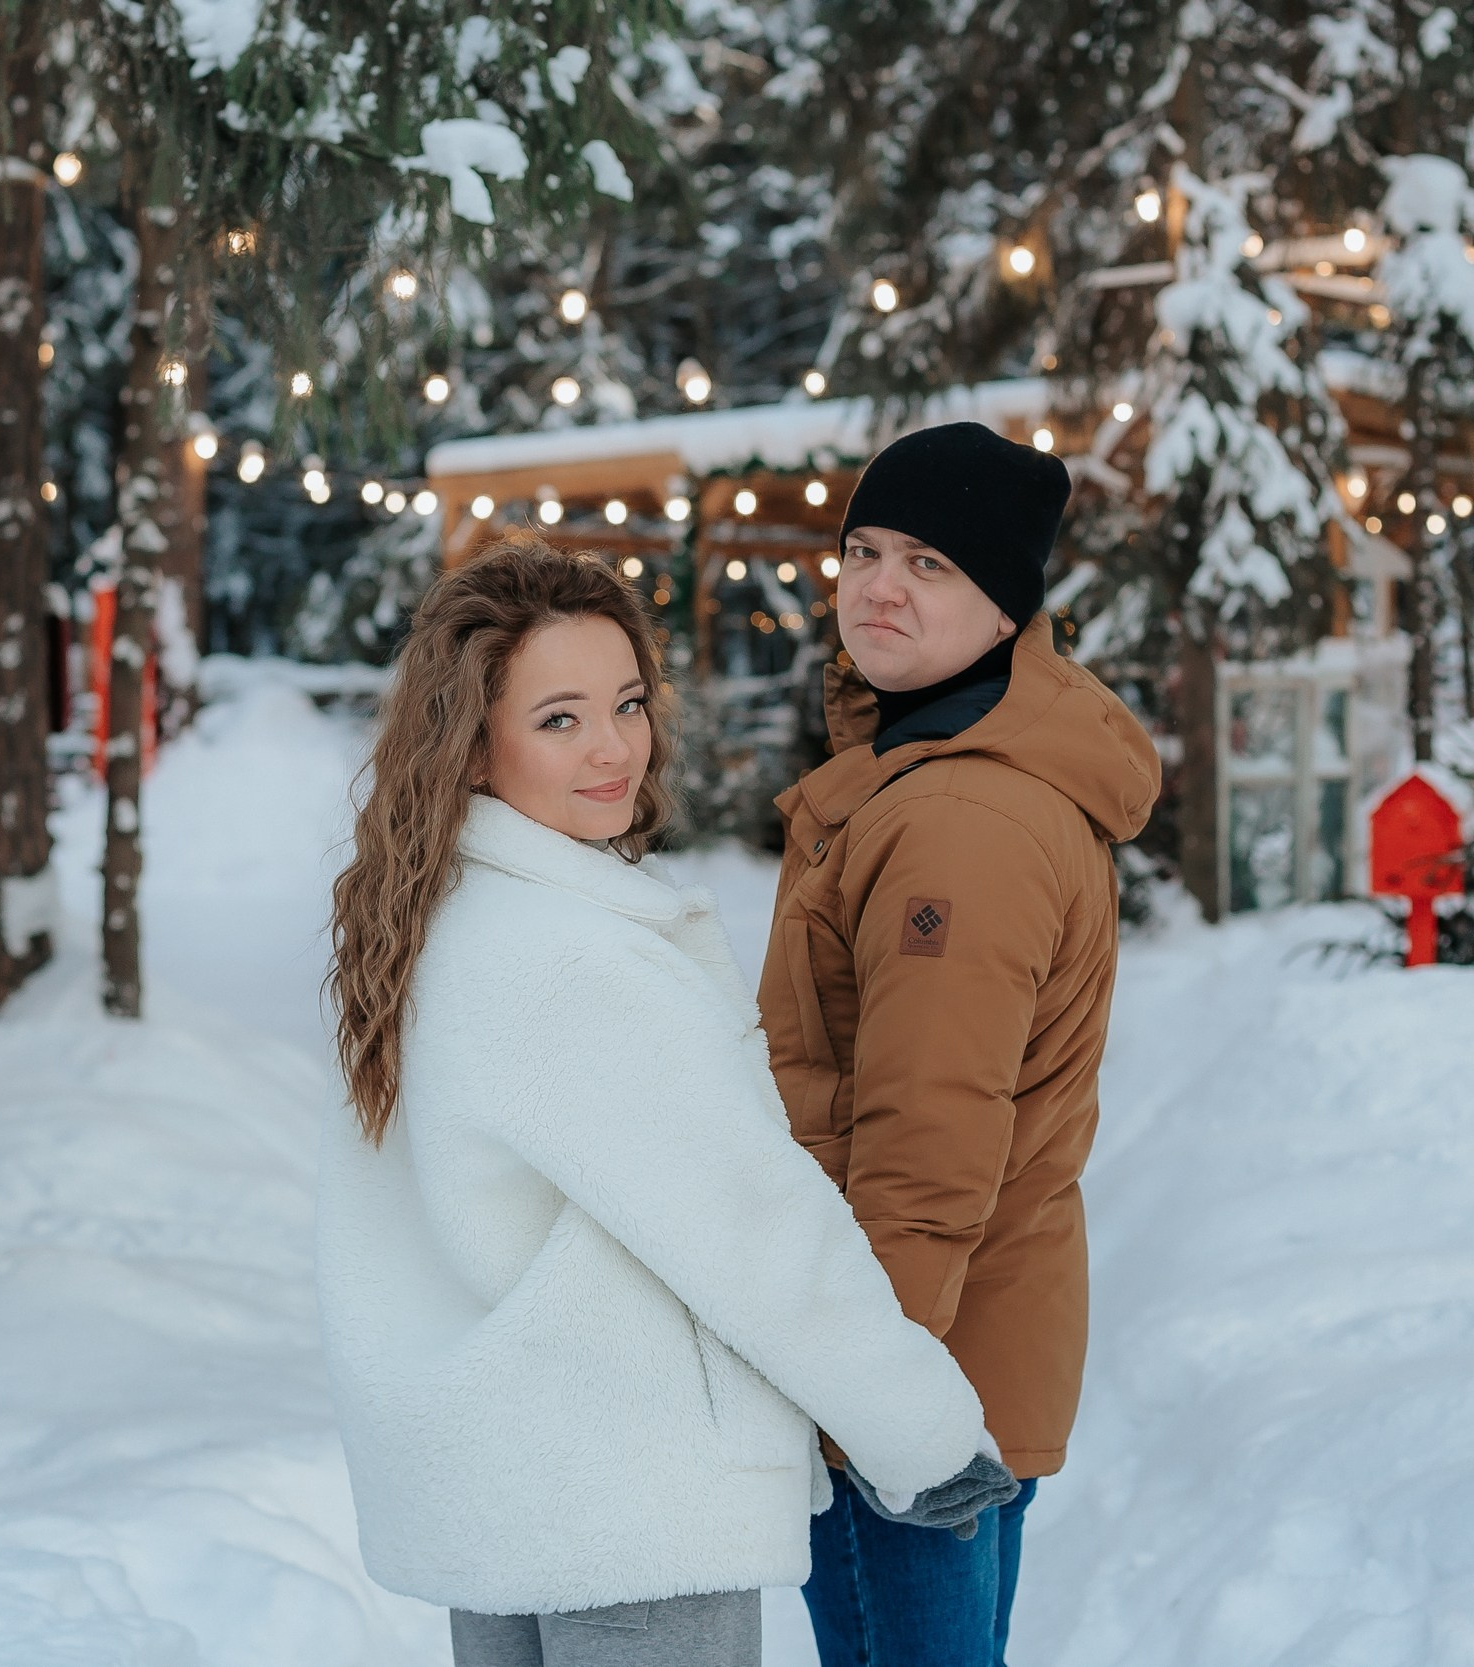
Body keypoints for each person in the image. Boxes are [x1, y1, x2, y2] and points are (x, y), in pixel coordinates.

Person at [318, 537, 1012, 1667]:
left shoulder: (434, 923)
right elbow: (752, 1225)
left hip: (503, 1495)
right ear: (476, 746)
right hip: (624, 1504)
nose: (613, 748)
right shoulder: (574, 961)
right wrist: (921, 1430)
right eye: (559, 718)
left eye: (627, 703)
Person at [758, 422, 1162, 1667]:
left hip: (916, 1376)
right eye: (862, 549)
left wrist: (869, 1400)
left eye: (929, 563)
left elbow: (930, 1133)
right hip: (963, 1349)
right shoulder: (938, 763)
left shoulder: (959, 814)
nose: (875, 585)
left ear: (1005, 603)